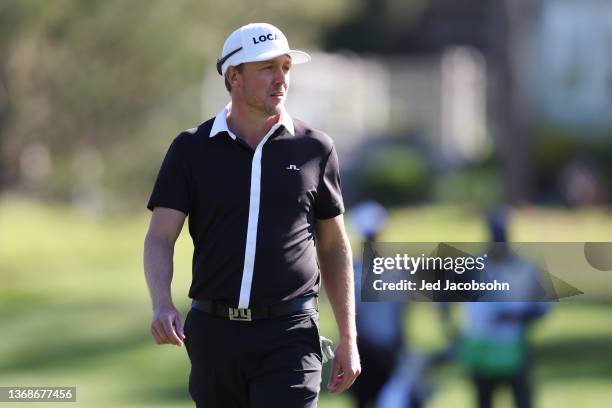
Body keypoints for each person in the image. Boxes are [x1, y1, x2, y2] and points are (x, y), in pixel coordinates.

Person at [143, 22, 360, 408]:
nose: (281, 80)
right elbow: (160, 236)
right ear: (234, 76)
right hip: (214, 334)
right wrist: (162, 302)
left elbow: (334, 246)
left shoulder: (315, 148)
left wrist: (349, 337)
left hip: (290, 332)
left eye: (286, 68)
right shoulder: (191, 149)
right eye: (267, 68)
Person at [458, 207, 550, 408]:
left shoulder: (525, 267)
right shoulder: (473, 267)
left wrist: (516, 317)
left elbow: (542, 308)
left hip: (514, 350)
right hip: (483, 351)